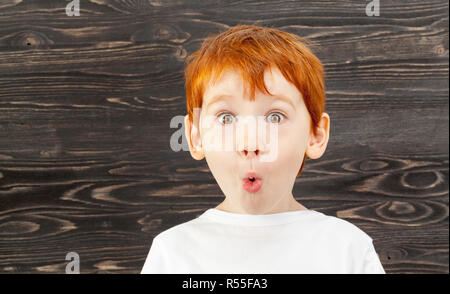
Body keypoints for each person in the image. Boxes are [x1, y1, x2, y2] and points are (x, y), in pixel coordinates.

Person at [141, 24, 386, 274]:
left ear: (316, 134)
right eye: (226, 118)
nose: (250, 144)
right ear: (195, 136)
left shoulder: (348, 250)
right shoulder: (172, 254)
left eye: (275, 117)